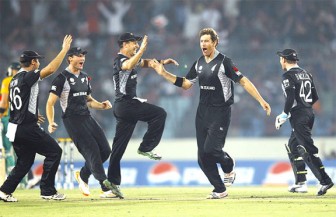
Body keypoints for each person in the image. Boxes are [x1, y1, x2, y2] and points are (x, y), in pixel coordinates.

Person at [151, 28, 271, 199]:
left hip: (220, 112)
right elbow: (186, 84)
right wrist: (163, 73)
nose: (203, 44)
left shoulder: (225, 62)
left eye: (207, 41)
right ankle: (220, 189)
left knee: (211, 149)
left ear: (215, 42)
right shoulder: (199, 62)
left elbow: (243, 81)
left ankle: (228, 166)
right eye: (201, 41)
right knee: (202, 158)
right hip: (202, 113)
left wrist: (261, 100)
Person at [0, 35, 73, 202]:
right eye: (37, 60)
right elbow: (50, 70)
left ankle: (4, 191)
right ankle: (47, 191)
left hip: (15, 126)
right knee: (54, 151)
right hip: (26, 127)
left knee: (24, 162)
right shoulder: (28, 76)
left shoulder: (13, 80)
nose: (39, 62)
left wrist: (31, 114)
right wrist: (64, 51)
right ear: (33, 63)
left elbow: (16, 103)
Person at [107, 32, 178, 198]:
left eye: (138, 44)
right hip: (127, 105)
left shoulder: (131, 59)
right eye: (134, 43)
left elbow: (143, 62)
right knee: (159, 114)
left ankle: (112, 185)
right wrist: (142, 50)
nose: (137, 46)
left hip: (124, 108)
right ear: (124, 44)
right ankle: (145, 147)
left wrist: (161, 62)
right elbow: (129, 65)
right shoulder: (120, 60)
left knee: (118, 148)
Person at [46, 47, 116, 199]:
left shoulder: (84, 77)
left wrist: (102, 105)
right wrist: (50, 121)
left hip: (87, 117)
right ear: (70, 58)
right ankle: (106, 188)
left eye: (83, 55)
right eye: (79, 55)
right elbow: (50, 103)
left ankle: (83, 176)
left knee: (105, 151)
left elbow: (89, 101)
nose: (82, 58)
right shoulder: (61, 78)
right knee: (93, 152)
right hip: (72, 120)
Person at [275, 48, 334, 196]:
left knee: (307, 148)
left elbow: (290, 97)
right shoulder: (307, 74)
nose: (280, 61)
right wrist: (304, 106)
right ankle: (300, 182)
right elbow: (314, 97)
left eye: (280, 58)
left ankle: (325, 181)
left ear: (283, 60)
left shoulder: (287, 76)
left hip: (299, 116)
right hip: (308, 113)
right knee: (293, 146)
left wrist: (284, 114)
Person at [0, 62, 21, 176]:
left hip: (9, 119)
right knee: (21, 150)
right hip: (23, 119)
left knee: (8, 149)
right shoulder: (26, 80)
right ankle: (23, 181)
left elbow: (3, 103)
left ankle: (12, 177)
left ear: (11, 70)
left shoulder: (8, 81)